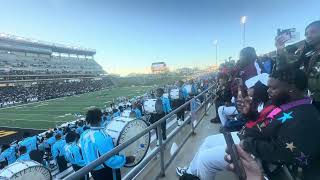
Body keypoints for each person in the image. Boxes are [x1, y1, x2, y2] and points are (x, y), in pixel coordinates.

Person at [177, 68, 320, 180]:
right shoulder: (284, 101)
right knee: (208, 141)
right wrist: (249, 114)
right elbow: (263, 124)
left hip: (262, 158)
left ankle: (191, 173)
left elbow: (284, 152)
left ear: (291, 88)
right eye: (268, 87)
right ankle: (191, 173)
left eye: (273, 88)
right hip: (251, 139)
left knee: (205, 159)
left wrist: (247, 143)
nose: (268, 91)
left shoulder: (304, 118)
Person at [276, 20, 320, 111]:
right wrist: (280, 49)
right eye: (306, 34)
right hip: (310, 100)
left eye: (313, 32)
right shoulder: (307, 55)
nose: (308, 36)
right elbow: (284, 68)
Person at [79, 108, 135, 180]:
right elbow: (111, 160)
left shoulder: (84, 134)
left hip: (92, 169)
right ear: (100, 118)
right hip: (105, 171)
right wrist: (127, 159)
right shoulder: (103, 136)